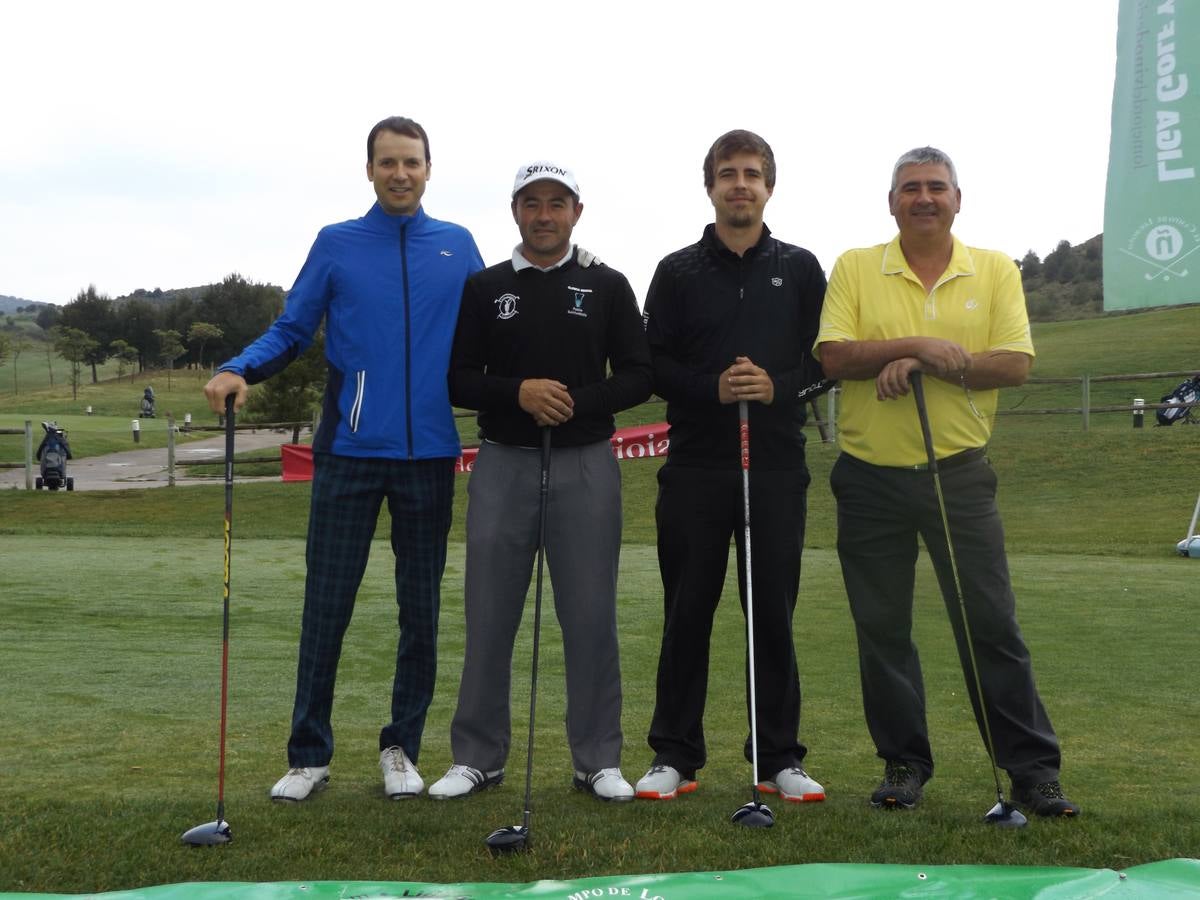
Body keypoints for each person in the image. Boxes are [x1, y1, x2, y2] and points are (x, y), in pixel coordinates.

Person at [202, 116, 485, 802]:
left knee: (420, 612)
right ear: (369, 170)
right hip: (349, 453)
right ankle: (309, 755)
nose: (400, 173)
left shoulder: (458, 246)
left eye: (411, 162)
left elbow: (495, 331)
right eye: (387, 162)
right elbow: (293, 326)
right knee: (327, 607)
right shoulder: (337, 244)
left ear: (428, 169)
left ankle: (402, 750)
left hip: (429, 457)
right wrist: (241, 367)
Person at [815, 146, 1079, 818]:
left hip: (958, 475)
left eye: (937, 187)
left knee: (990, 624)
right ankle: (904, 764)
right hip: (870, 479)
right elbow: (835, 354)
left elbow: (1015, 364)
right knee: (883, 629)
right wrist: (916, 346)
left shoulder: (992, 269)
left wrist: (926, 365)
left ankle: (1032, 772)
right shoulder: (854, 266)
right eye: (910, 188)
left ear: (958, 199)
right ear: (892, 202)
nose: (924, 198)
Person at [430, 160, 652, 802]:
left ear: (576, 212)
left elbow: (638, 374)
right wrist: (518, 393)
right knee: (489, 615)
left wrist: (575, 402)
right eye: (533, 203)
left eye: (558, 203)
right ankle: (477, 757)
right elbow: (459, 378)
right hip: (503, 461)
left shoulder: (608, 284)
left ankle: (597, 760)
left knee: (589, 615)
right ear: (516, 211)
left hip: (586, 462)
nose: (545, 214)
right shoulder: (485, 286)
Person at [635, 130, 828, 804]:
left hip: (774, 466)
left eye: (751, 173)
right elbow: (651, 365)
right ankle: (674, 754)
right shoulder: (678, 269)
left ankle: (778, 756)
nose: (739, 183)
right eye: (727, 173)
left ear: (769, 185)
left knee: (770, 611)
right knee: (687, 609)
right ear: (710, 185)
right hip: (695, 466)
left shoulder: (801, 267)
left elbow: (824, 362)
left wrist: (780, 386)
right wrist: (708, 387)